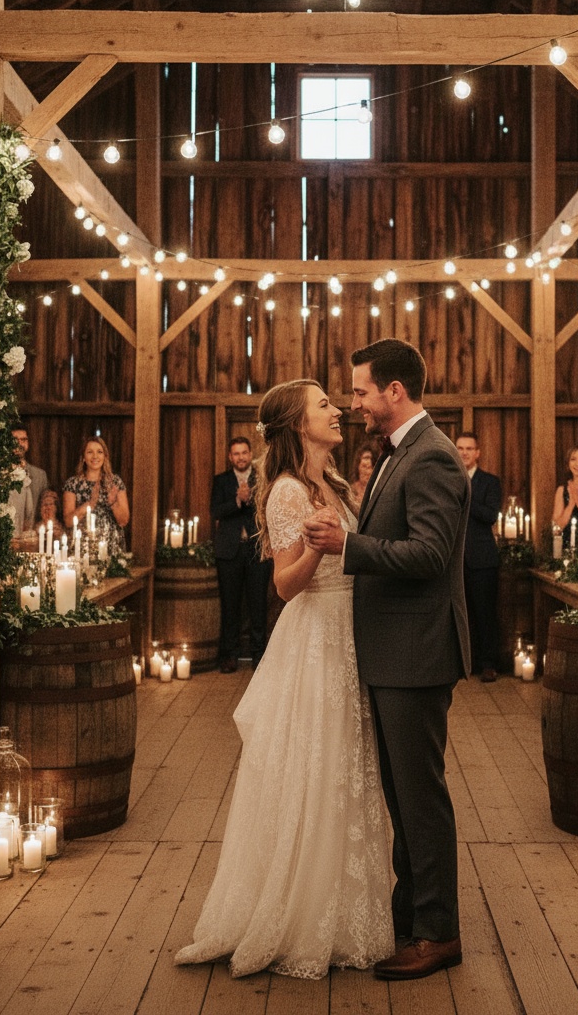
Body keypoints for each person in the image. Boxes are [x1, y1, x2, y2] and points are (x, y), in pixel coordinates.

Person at [174, 380, 394, 979]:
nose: (337, 410)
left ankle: (348, 909)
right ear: (299, 423)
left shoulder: (340, 483)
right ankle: (292, 914)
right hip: (316, 634)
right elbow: (284, 585)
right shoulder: (288, 491)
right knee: (313, 768)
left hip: (351, 635)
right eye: (324, 404)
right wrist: (322, 549)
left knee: (347, 769)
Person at [304, 338, 470, 981]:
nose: (354, 404)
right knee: (403, 798)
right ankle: (410, 919)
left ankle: (437, 933)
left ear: (394, 391)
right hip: (394, 653)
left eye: (361, 391)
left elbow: (428, 554)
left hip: (416, 654)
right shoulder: (403, 454)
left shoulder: (431, 458)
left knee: (420, 799)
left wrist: (352, 546)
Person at [210, 436, 273, 672]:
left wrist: (250, 500)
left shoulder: (262, 479)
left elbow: (267, 509)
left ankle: (259, 656)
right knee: (230, 606)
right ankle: (229, 655)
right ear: (230, 457)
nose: (241, 457)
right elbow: (215, 510)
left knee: (258, 605)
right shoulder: (221, 481)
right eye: (236, 454)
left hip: (256, 550)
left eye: (244, 453)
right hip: (229, 551)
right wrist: (237, 501)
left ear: (250, 454)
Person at [455, 431, 501, 682]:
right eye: (460, 448)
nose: (464, 453)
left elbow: (490, 515)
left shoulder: (490, 482)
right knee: (462, 615)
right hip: (455, 558)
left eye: (469, 449)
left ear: (478, 452)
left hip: (482, 558)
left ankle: (489, 664)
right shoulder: (449, 479)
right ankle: (464, 663)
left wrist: (466, 494)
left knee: (485, 613)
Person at [62, 436, 129, 556]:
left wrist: (113, 502)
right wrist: (89, 505)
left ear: (105, 456)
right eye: (90, 452)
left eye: (99, 452)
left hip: (111, 545)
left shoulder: (115, 482)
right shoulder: (72, 484)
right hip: (83, 547)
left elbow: (123, 521)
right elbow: (68, 521)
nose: (95, 456)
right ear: (83, 458)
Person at [7, 424, 48, 535]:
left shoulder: (40, 475)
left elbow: (45, 507)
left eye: (24, 440)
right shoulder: (0, 474)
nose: (20, 443)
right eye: (15, 440)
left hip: (31, 537)